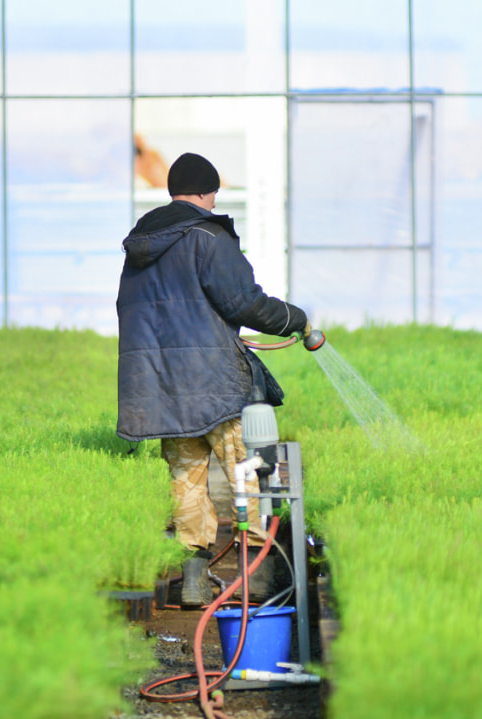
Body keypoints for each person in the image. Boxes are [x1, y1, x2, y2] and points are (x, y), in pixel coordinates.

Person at [116, 152, 311, 605]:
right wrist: (295, 319)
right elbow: (244, 303)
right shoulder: (208, 236)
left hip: (162, 389)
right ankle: (260, 585)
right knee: (251, 476)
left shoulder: (143, 243)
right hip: (218, 386)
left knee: (186, 482)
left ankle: (195, 582)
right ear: (208, 193)